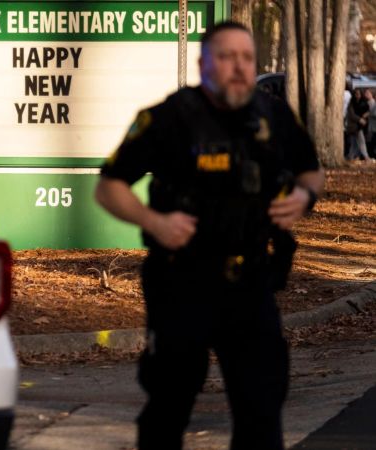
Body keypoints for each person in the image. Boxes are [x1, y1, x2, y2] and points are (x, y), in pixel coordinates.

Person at [94, 21, 324, 450]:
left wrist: (304, 195)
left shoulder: (272, 116)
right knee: (170, 403)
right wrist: (154, 221)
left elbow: (312, 170)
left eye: (246, 58)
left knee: (262, 405)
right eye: (226, 56)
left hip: (251, 280)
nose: (239, 67)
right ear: (203, 64)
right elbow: (108, 187)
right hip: (182, 282)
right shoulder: (167, 118)